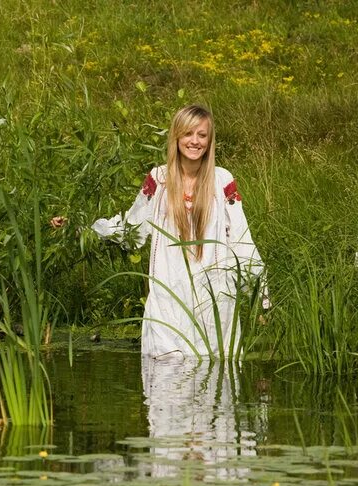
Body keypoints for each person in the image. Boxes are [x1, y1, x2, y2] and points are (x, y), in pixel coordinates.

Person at [55, 105, 266, 358]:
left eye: (202, 135)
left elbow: (242, 240)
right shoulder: (160, 179)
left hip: (214, 302)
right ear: (176, 137)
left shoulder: (221, 181)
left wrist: (260, 295)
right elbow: (130, 229)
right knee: (167, 378)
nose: (195, 141)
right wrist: (81, 228)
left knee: (216, 379)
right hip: (168, 301)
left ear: (210, 141)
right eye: (188, 134)